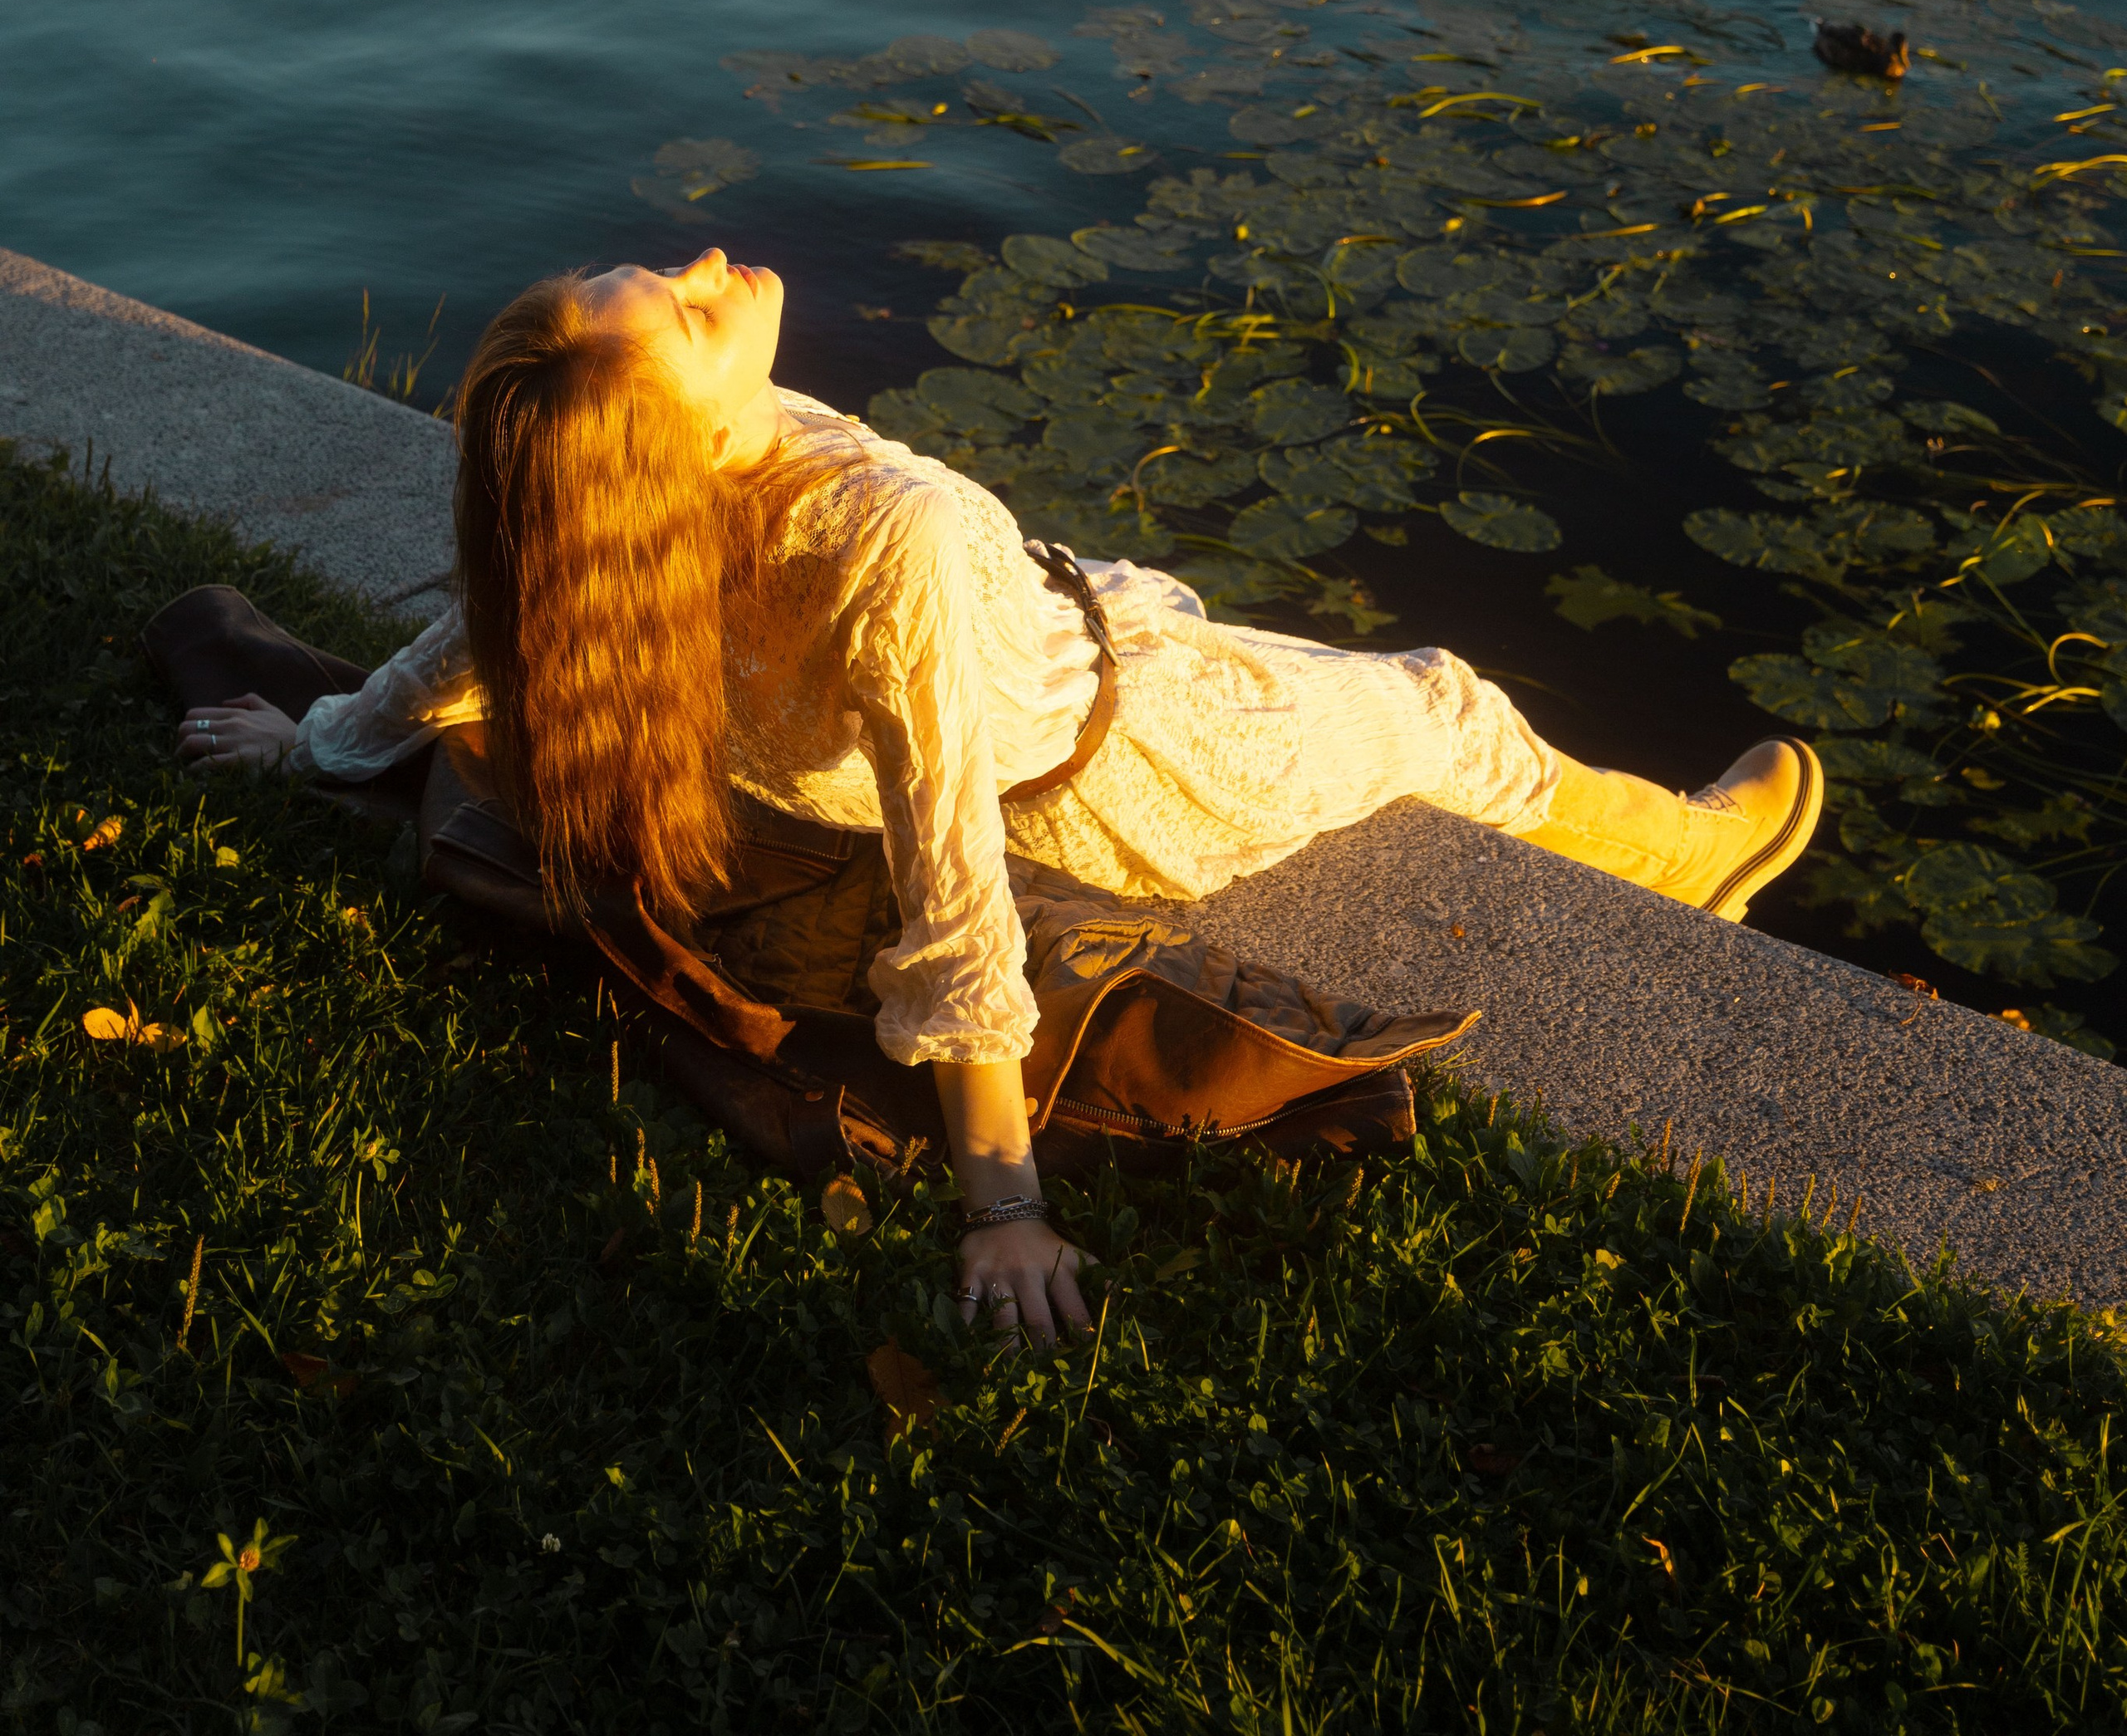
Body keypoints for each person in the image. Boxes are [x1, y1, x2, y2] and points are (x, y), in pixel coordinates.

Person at [177, 245, 1824, 1347]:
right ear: (671, 424)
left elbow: (495, 619)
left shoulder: (626, 529)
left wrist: (329, 745)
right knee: (1446, 709)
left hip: (1066, 633)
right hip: (1139, 757)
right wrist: (1003, 1210)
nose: (702, 269)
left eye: (657, 272)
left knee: (1238, 638)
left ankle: (1659, 840)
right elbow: (951, 900)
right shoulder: (886, 544)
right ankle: (1696, 859)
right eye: (679, 309)